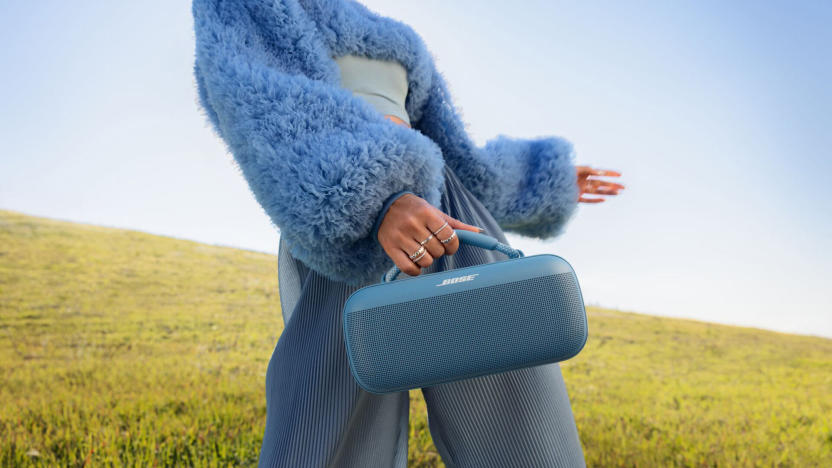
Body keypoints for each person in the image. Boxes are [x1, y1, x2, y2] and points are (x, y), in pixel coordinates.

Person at [192, 1, 623, 466]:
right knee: (325, 426)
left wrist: (543, 179)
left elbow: (455, 155)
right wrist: (375, 199)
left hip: (446, 217)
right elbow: (258, 102)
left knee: (521, 417)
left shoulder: (379, 27)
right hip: (351, 228)